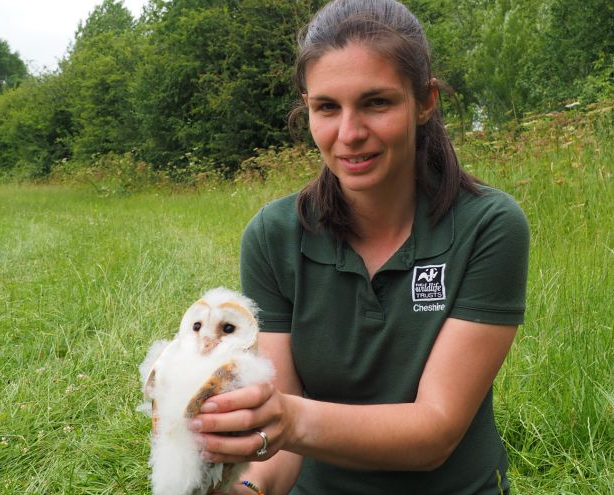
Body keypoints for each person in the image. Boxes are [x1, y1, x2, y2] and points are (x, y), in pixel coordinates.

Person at [187, 0, 530, 493]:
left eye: (377, 102)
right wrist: (249, 487)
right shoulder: (272, 236)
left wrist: (289, 420)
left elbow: (435, 430)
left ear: (426, 101)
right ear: (307, 107)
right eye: (327, 107)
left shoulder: (490, 226)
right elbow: (276, 440)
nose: (348, 135)